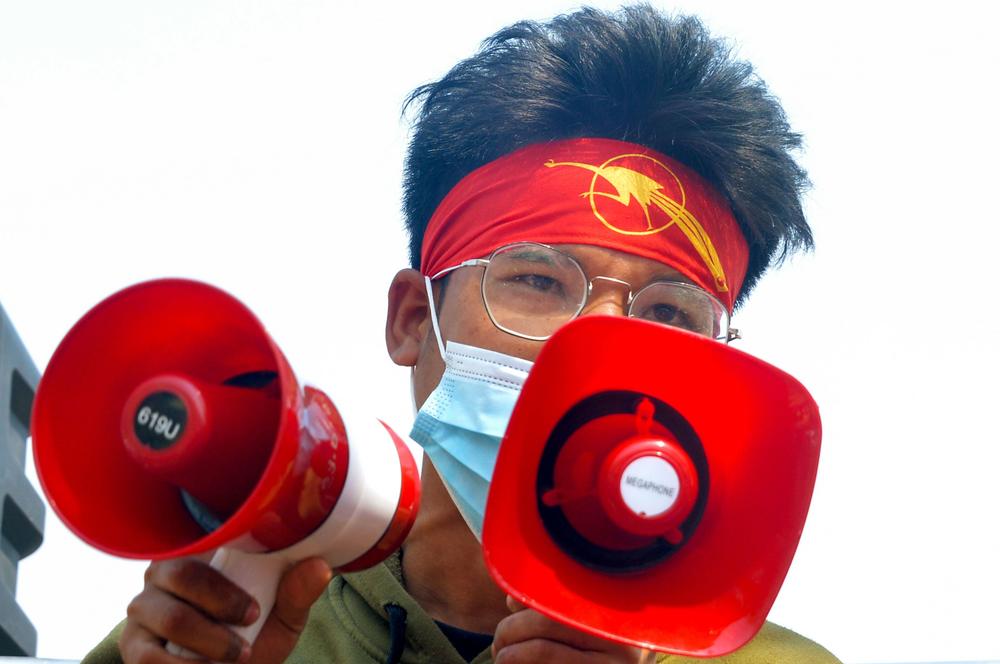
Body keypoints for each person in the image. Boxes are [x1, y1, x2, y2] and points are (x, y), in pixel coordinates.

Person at [83, 5, 840, 663]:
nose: (600, 347)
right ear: (414, 319)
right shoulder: (231, 630)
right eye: (539, 282)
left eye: (671, 316)